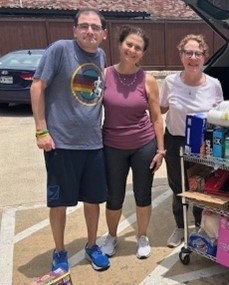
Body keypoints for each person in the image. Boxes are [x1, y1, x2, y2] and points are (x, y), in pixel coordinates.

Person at [30, 8, 110, 272]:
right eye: (84, 26)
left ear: (103, 34)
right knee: (59, 202)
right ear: (74, 30)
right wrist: (41, 129)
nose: (90, 31)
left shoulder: (100, 55)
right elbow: (37, 85)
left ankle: (91, 245)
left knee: (93, 200)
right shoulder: (60, 50)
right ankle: (60, 251)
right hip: (61, 144)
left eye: (95, 27)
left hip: (93, 144)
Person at [99, 25, 164, 259]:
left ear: (143, 53)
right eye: (129, 44)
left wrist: (161, 149)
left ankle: (142, 237)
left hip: (143, 146)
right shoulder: (104, 74)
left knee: (142, 193)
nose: (132, 50)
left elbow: (156, 117)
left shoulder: (148, 79)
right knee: (113, 195)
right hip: (112, 146)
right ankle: (112, 236)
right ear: (120, 45)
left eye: (138, 48)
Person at [160, 34, 224, 248]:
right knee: (178, 186)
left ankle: (198, 225)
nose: (193, 58)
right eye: (188, 52)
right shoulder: (170, 82)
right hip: (175, 141)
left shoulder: (214, 84)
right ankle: (180, 227)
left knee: (200, 185)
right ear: (181, 55)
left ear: (204, 57)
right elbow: (158, 109)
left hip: (201, 144)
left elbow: (219, 116)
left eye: (198, 53)